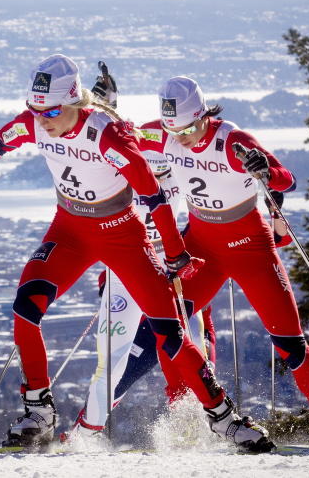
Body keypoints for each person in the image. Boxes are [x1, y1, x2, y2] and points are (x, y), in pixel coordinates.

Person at [0, 54, 273, 452]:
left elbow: (153, 195)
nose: (42, 118)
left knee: (169, 333)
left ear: (73, 102)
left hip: (123, 238)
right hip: (70, 232)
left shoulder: (106, 133)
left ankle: (225, 420)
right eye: (36, 108)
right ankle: (39, 412)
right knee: (24, 309)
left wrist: (175, 252)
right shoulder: (34, 121)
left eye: (51, 109)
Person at [138, 76, 309, 449]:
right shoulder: (162, 134)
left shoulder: (233, 141)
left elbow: (286, 180)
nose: (182, 138)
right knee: (169, 333)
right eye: (172, 129)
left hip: (251, 248)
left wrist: (264, 168)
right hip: (201, 248)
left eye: (191, 128)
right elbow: (119, 138)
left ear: (204, 115)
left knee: (290, 344)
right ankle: (197, 415)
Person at [67, 149, 215, 439]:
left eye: (160, 174)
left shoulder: (180, 186)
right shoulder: (119, 185)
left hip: (174, 295)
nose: (154, 182)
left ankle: (196, 435)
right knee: (118, 371)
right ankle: (81, 436)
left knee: (192, 362)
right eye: (149, 174)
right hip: (133, 293)